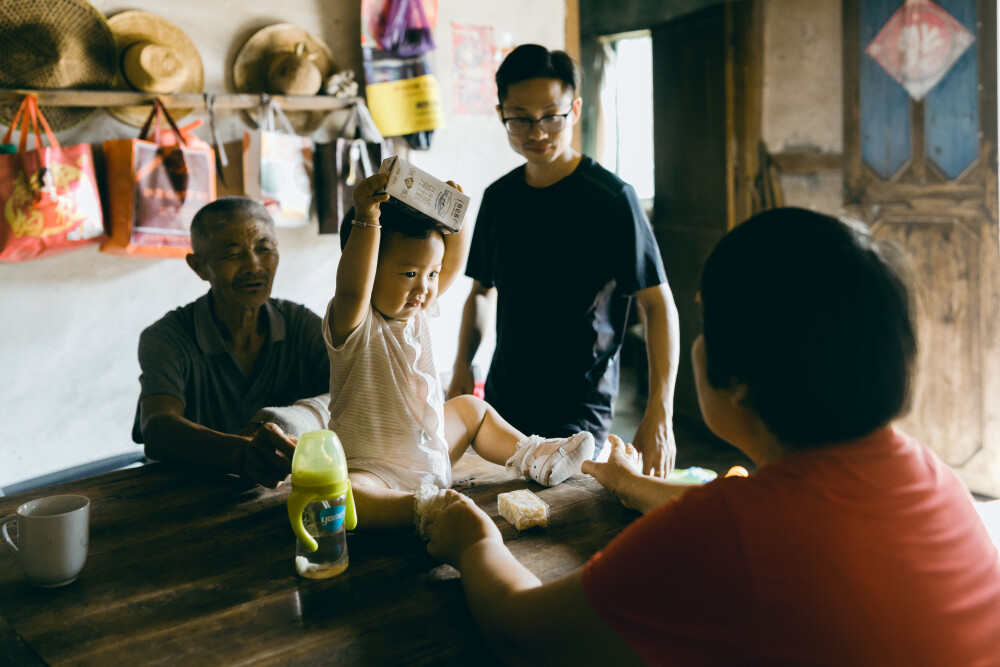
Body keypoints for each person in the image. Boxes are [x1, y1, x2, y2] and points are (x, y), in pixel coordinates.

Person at [423, 208, 1000, 664]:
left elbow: (522, 633)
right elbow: (753, 517)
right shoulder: (929, 474)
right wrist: (631, 486)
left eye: (705, 322)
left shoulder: (731, 537)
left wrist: (473, 542)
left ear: (741, 380)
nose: (697, 343)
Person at [448, 44, 680, 477]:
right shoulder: (499, 199)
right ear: (501, 114)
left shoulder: (612, 199)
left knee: (568, 517)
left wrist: (660, 411)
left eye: (551, 116)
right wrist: (463, 365)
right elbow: (481, 292)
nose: (537, 131)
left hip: (580, 406)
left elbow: (657, 302)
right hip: (505, 402)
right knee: (505, 513)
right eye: (520, 118)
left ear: (574, 110)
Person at [327, 173, 594, 530]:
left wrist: (457, 218)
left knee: (472, 409)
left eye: (431, 274)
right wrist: (367, 217)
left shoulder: (418, 309)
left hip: (431, 455)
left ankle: (537, 457)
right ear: (368, 269)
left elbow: (451, 264)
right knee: (343, 495)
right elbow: (351, 288)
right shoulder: (354, 322)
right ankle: (421, 510)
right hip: (378, 474)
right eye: (409, 273)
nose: (424, 287)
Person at [134, 197, 331, 488]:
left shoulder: (300, 325)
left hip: (278, 494)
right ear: (199, 267)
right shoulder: (167, 337)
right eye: (233, 253)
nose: (254, 265)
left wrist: (290, 420)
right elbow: (158, 427)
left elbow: (352, 397)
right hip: (191, 494)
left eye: (265, 249)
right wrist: (242, 454)